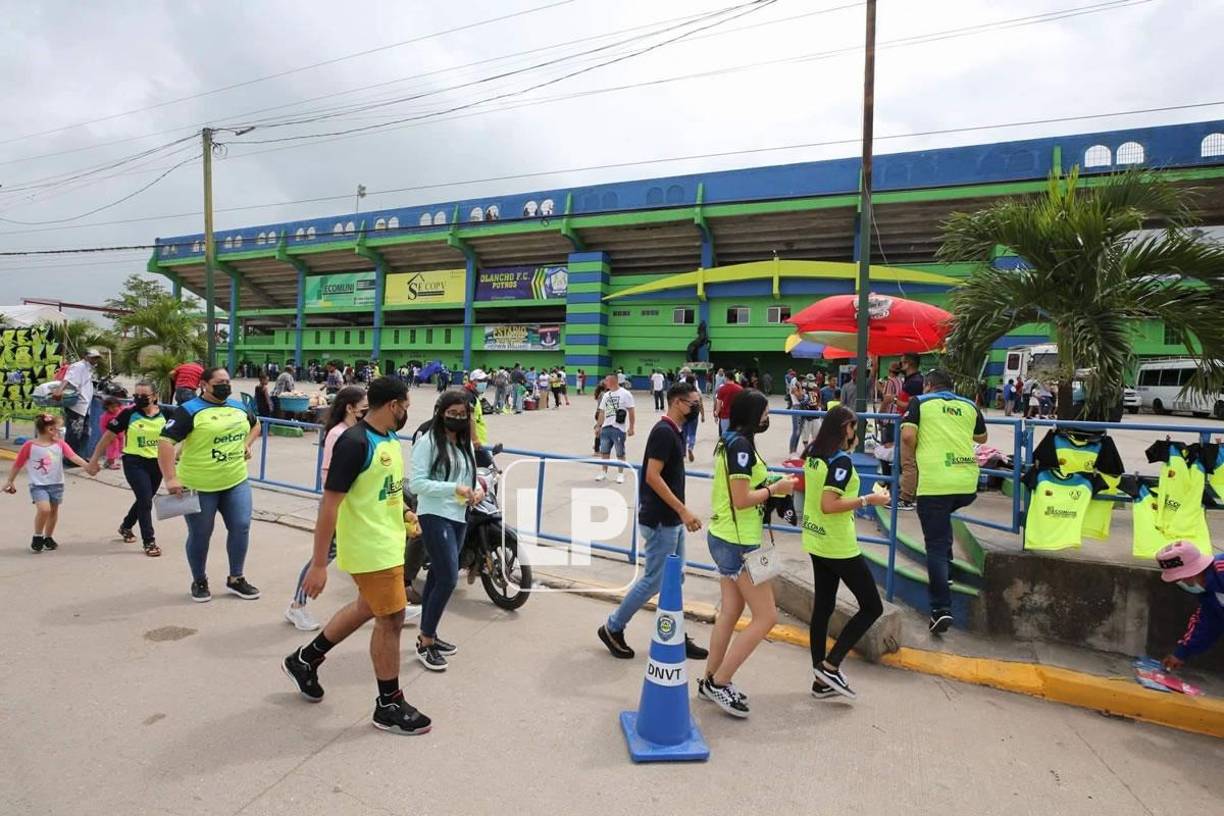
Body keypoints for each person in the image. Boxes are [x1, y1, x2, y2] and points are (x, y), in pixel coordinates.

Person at [282, 377, 432, 735]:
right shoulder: (354, 443)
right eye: (406, 406)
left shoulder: (390, 439)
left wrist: (405, 514)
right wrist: (319, 564)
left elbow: (386, 492)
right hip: (368, 549)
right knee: (392, 619)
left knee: (367, 608)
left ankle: (305, 659)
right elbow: (329, 506)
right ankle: (388, 704)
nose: (407, 413)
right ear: (394, 405)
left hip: (389, 541)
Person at [699, 389, 797, 718]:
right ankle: (721, 682)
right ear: (753, 414)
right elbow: (741, 499)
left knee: (731, 610)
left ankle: (710, 677)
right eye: (766, 412)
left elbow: (742, 487)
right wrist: (774, 490)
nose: (768, 418)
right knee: (766, 616)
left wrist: (771, 480)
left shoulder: (732, 442)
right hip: (739, 542)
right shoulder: (740, 446)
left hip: (728, 537)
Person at [284, 387, 413, 631]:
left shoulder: (381, 436)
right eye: (363, 405)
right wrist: (319, 566)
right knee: (321, 558)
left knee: (365, 584)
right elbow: (336, 488)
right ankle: (297, 606)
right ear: (350, 408)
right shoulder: (344, 437)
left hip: (366, 517)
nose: (367, 408)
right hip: (345, 512)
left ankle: (393, 600)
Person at [598, 380, 708, 660]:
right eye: (693, 403)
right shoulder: (663, 432)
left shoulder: (675, 431)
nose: (696, 408)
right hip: (661, 520)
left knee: (676, 577)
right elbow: (652, 476)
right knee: (654, 580)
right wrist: (682, 511)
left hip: (672, 518)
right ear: (676, 402)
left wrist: (681, 511)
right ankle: (613, 627)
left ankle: (675, 635)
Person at [801, 405, 890, 699]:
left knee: (824, 608)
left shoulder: (813, 455)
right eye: (853, 427)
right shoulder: (840, 462)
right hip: (838, 545)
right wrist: (869, 499)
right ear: (844, 429)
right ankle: (830, 666)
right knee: (872, 606)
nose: (855, 432)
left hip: (816, 540)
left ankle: (820, 680)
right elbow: (829, 504)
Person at [159, 366, 261, 603]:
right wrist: (170, 478)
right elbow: (165, 442)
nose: (225, 385)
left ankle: (236, 578)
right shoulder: (189, 411)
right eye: (219, 381)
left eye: (227, 380)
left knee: (241, 526)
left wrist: (247, 444)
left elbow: (256, 425)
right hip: (199, 485)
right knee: (201, 533)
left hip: (235, 480)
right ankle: (200, 579)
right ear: (204, 384)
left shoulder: (238, 407)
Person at [899, 369, 986, 634]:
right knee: (942, 524)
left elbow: (907, 436)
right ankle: (945, 572)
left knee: (934, 545)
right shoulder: (969, 405)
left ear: (927, 385)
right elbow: (982, 438)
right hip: (966, 484)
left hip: (936, 484)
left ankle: (940, 609)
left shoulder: (920, 403)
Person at [410, 391, 483, 671]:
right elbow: (417, 484)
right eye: (452, 413)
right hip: (434, 514)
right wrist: (453, 489)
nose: (457, 419)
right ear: (440, 412)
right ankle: (425, 641)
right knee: (449, 578)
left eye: (462, 415)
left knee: (438, 576)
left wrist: (475, 491)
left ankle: (429, 633)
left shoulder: (464, 443)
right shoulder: (427, 442)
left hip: (459, 515)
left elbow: (469, 477)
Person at [85, 380, 166, 556]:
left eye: (144, 396)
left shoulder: (167, 413)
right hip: (134, 462)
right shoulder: (128, 414)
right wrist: (94, 460)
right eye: (136, 395)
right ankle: (149, 541)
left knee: (144, 499)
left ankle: (126, 526)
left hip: (157, 463)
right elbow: (106, 437)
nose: (139, 399)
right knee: (145, 501)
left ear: (155, 397)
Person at [3, 413, 93, 552]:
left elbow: (73, 456)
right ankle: (38, 536)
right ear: (50, 430)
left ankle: (48, 537)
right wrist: (10, 481)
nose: (60, 431)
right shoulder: (29, 446)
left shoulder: (60, 444)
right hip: (38, 485)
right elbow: (18, 464)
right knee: (44, 509)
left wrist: (87, 466)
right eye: (58, 428)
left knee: (53, 511)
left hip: (56, 484)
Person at [1154, 541, 1224, 672]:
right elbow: (1208, 623)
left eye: (1179, 579)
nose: (1179, 583)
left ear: (1192, 572)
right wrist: (1181, 653)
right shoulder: (1208, 593)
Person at [55, 348, 102, 460]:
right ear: (86, 357)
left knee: (85, 433)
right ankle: (69, 458)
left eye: (96, 358)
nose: (95, 360)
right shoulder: (79, 366)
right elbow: (68, 379)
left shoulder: (89, 368)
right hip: (77, 406)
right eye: (93, 357)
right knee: (74, 434)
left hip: (85, 406)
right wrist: (59, 390)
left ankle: (80, 457)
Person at [594, 372, 636, 483]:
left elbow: (631, 411)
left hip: (619, 428)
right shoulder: (606, 395)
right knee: (604, 451)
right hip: (606, 427)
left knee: (620, 452)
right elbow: (602, 412)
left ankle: (620, 473)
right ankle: (603, 472)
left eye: (606, 380)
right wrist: (598, 426)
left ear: (613, 381)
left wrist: (631, 427)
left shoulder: (625, 394)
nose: (605, 382)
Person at [681, 373, 704, 463]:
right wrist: (703, 415)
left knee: (683, 433)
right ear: (694, 382)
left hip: (684, 414)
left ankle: (683, 452)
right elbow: (700, 404)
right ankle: (690, 447)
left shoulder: (682, 391)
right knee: (692, 434)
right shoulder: (697, 391)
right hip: (694, 415)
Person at [99, 396, 125, 469]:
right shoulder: (106, 416)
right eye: (111, 407)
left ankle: (108, 462)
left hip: (120, 433)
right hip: (112, 435)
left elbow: (128, 408)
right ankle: (111, 463)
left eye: (115, 406)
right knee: (113, 448)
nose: (114, 409)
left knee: (119, 447)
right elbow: (103, 426)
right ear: (107, 408)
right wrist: (107, 435)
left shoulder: (121, 410)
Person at [787, 373, 806, 455]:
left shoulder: (800, 386)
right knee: (796, 431)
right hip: (796, 408)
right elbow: (800, 397)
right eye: (802, 381)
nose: (803, 383)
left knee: (800, 431)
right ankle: (792, 451)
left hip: (802, 408)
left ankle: (794, 450)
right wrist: (800, 388)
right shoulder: (794, 385)